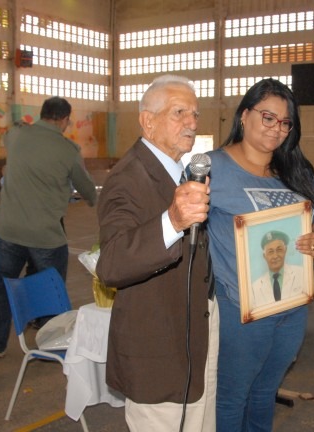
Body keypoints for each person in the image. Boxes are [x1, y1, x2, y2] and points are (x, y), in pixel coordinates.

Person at [205, 78, 314, 432]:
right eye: (268, 117)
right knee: (232, 395)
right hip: (242, 309)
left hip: (292, 306)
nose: (277, 129)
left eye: (285, 122)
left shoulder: (297, 171)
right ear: (245, 115)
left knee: (265, 392)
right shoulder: (212, 168)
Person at [95, 75, 217, 432]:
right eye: (180, 112)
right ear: (148, 121)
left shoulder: (180, 172)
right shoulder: (127, 177)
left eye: (194, 114)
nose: (192, 123)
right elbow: (112, 263)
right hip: (158, 347)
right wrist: (173, 221)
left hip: (193, 332)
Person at [0, 96, 97, 359]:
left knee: (1, 285)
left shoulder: (15, 136)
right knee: (51, 286)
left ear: (42, 114)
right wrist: (92, 199)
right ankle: (51, 345)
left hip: (9, 229)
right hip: (44, 233)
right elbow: (86, 187)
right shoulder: (67, 150)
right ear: (65, 120)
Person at [250, 230, 305, 307]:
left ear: (285, 250)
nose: (275, 256)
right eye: (270, 252)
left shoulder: (302, 273)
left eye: (279, 250)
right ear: (264, 256)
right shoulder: (255, 287)